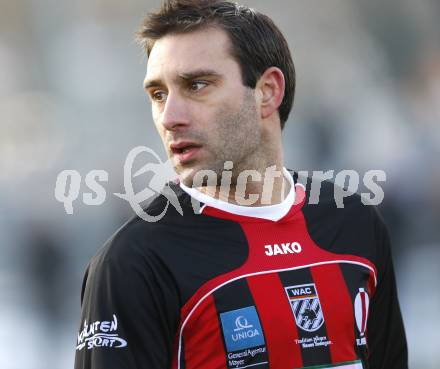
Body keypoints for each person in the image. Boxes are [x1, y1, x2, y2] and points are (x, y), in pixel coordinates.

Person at [74, 1, 408, 368]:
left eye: (197, 85)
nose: (170, 117)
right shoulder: (133, 261)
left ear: (267, 92)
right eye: (158, 95)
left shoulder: (354, 223)